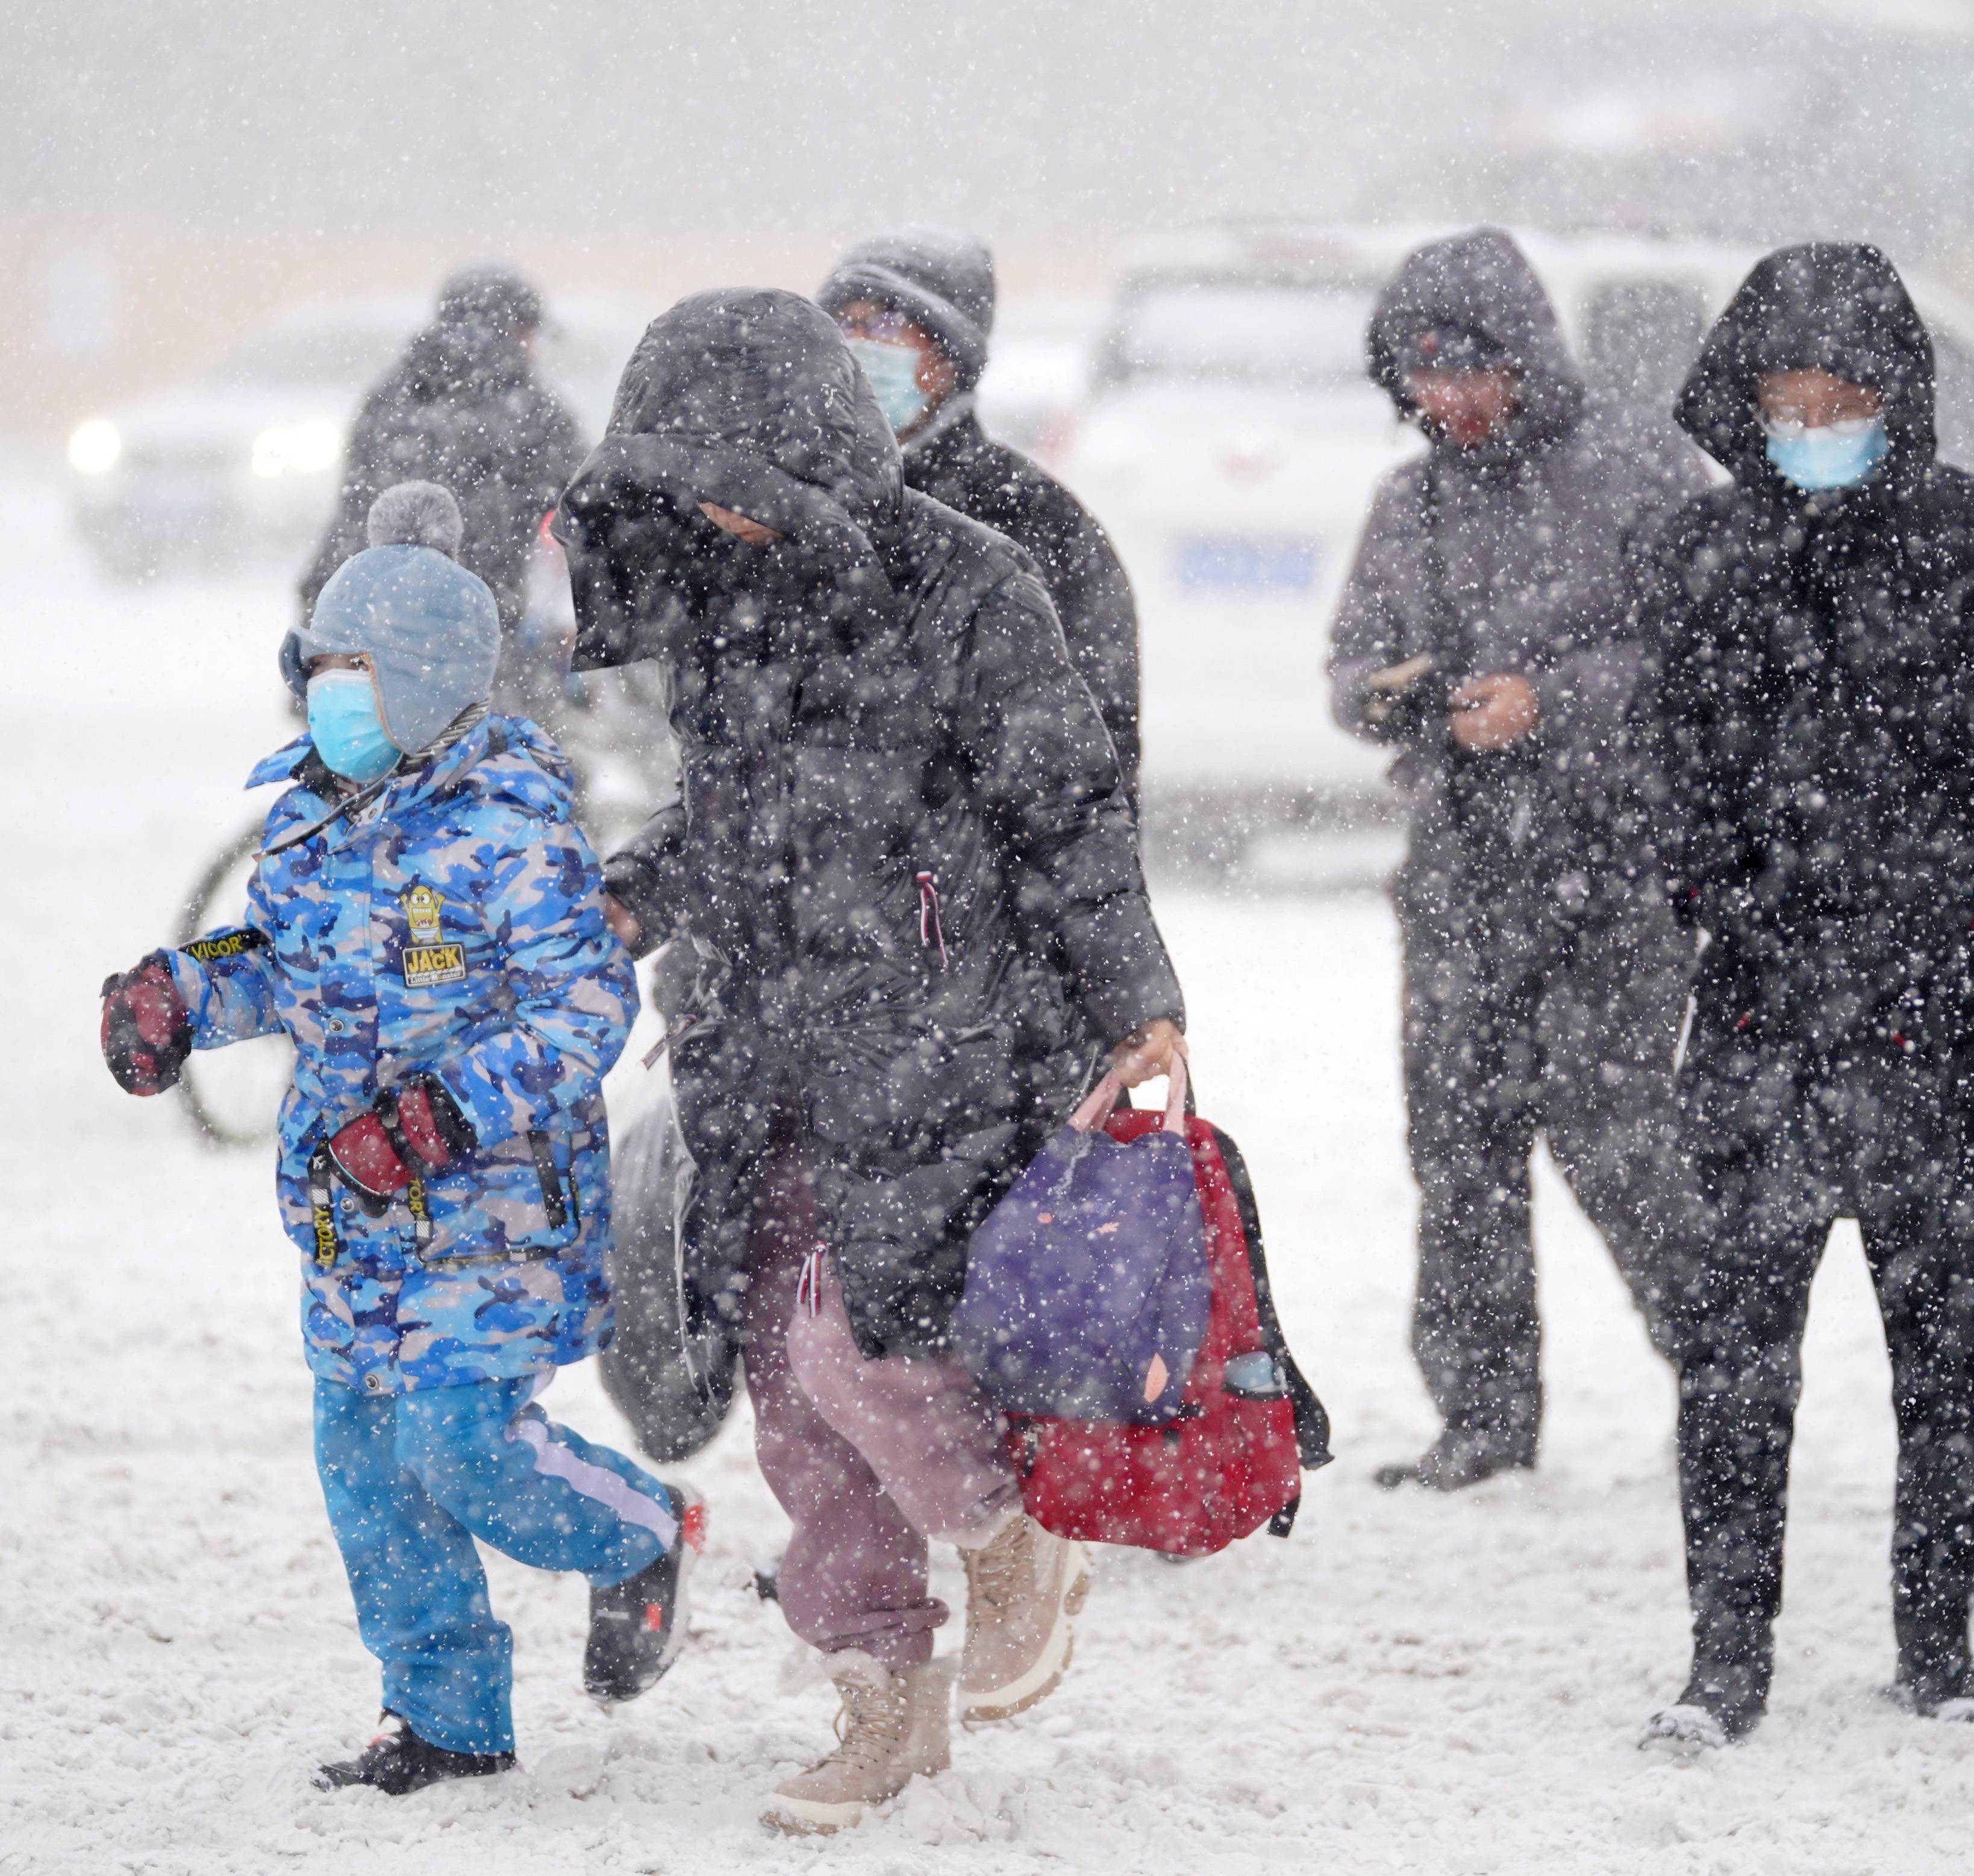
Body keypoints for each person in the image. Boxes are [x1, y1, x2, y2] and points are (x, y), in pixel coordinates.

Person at [558, 288, 1187, 1834]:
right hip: (762, 1044)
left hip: (941, 1043)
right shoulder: (721, 600)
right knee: (788, 1399)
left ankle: (1001, 1533)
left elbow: (1065, 812)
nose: (709, 515)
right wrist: (638, 890)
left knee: (870, 1350)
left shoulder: (975, 585)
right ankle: (879, 1696)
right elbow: (737, 822)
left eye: (729, 480)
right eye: (681, 489)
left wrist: (1138, 996)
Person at [1622, 243, 1974, 1748]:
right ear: (1740, 399)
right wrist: (1709, 881)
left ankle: (1936, 1642)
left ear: (1895, 397)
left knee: (1949, 1358)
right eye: (1782, 395)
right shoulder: (1698, 552)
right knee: (1732, 1365)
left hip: (1942, 1028)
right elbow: (1651, 762)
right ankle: (1721, 1655)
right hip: (1757, 1024)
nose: (1810, 418)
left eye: (1841, 394)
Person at [97, 522, 704, 1795]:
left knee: (459, 1447)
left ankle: (639, 1532)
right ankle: (445, 1718)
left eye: (352, 674)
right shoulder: (311, 822)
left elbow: (582, 1009)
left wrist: (440, 1116)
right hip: (350, 1224)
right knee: (370, 1476)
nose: (326, 697)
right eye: (318, 668)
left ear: (426, 684)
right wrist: (183, 1001)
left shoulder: (510, 831)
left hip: (490, 1222)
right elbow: (281, 967)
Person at [1325, 227, 1712, 1491]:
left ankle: (1720, 1365)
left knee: (1610, 1127)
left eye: (1466, 371)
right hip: (1459, 863)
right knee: (1456, 1136)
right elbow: (1351, 674)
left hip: (1617, 859)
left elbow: (1706, 657)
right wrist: (1422, 701)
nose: (1445, 401)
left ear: (1524, 357)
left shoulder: (1645, 472)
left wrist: (1551, 699)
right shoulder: (1410, 502)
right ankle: (1482, 1417)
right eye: (1420, 376)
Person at [817, 225, 1142, 789]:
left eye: (889, 324)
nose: (859, 343)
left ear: (950, 357)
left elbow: (1090, 763)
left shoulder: (1033, 517)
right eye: (845, 321)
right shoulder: (784, 500)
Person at [296, 264, 584, 682]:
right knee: (496, 740)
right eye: (528, 332)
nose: (532, 347)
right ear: (513, 330)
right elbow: (585, 503)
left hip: (373, 631)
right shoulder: (529, 408)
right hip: (481, 630)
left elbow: (353, 510)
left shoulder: (389, 398)